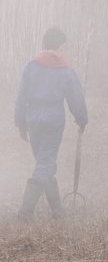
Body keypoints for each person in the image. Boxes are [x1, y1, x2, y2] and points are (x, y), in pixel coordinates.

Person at [14, 26, 88, 220]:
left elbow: (21, 98)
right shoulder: (66, 69)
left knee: (44, 163)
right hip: (53, 120)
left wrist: (21, 124)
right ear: (60, 47)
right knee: (45, 164)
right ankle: (25, 213)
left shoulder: (31, 66)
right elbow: (76, 97)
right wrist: (81, 119)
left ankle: (58, 212)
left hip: (33, 119)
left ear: (44, 44)